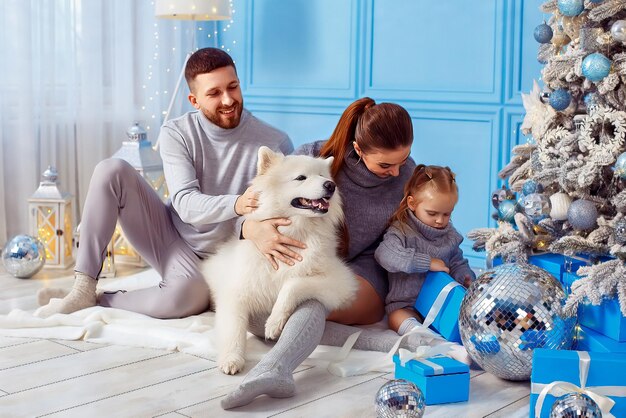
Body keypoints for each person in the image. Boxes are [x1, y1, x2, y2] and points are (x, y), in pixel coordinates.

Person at [36, 47, 294, 319]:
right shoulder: (177, 132)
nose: (228, 100)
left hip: (231, 254)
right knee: (111, 170)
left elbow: (280, 213)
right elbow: (185, 204)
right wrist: (238, 204)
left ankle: (99, 300)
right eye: (214, 93)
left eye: (233, 87)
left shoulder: (275, 142)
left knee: (185, 298)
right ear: (194, 100)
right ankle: (83, 289)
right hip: (173, 238)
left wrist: (250, 225)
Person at [220, 97, 421, 409]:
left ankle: (275, 369)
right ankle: (380, 343)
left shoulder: (407, 175)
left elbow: (431, 226)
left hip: (367, 268)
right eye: (385, 164)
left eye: (403, 160)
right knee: (265, 311)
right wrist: (249, 228)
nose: (397, 172)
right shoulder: (313, 157)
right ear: (357, 148)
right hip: (311, 257)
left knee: (309, 299)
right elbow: (257, 201)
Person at [374, 165, 475, 346]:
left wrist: (465, 276)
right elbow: (385, 255)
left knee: (459, 317)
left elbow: (458, 262)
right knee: (396, 317)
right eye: (432, 213)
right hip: (406, 303)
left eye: (447, 214)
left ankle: (455, 336)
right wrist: (426, 263)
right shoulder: (402, 230)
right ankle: (417, 333)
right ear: (412, 204)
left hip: (439, 303)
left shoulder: (450, 236)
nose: (440, 220)